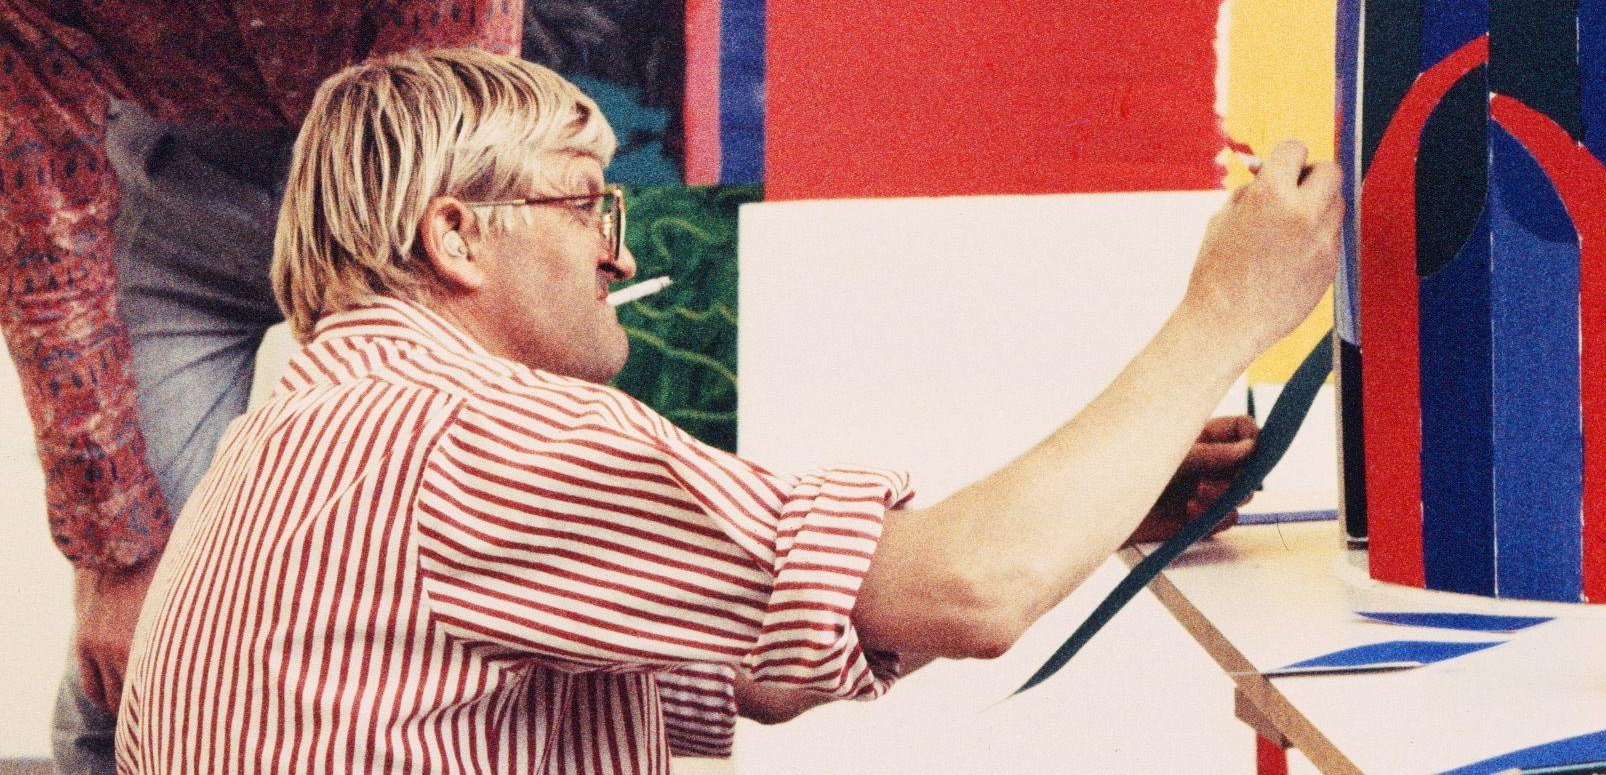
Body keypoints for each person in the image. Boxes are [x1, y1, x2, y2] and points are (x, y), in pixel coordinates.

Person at [114, 48, 1341, 772]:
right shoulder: (468, 434)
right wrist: (1227, 314)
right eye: (588, 201)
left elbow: (754, 670)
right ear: (456, 236)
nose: (615, 249)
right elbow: (969, 588)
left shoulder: (312, 430)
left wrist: (1107, 510)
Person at [0, 0, 519, 770]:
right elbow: (39, 222)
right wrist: (114, 556)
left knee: (389, 584)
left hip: (397, 205)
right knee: (151, 632)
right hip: (170, 198)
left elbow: (442, 199)